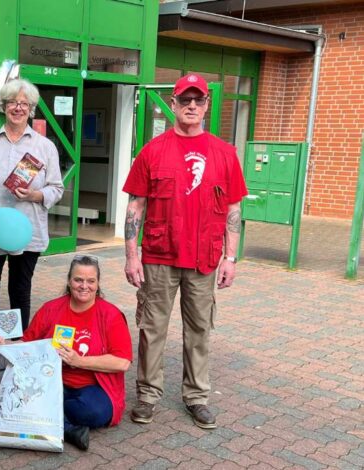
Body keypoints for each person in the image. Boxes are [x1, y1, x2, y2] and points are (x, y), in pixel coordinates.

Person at [123, 73, 247, 430]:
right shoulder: (153, 151)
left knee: (199, 331)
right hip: (159, 257)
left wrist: (231, 257)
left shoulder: (224, 154)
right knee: (152, 329)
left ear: (207, 106)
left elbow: (234, 211)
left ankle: (196, 397)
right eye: (185, 100)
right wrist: (132, 256)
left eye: (199, 100)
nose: (192, 106)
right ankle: (148, 396)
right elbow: (136, 208)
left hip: (205, 260)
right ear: (174, 105)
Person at [0, 255, 132, 451]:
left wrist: (79, 361)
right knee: (19, 394)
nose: (84, 286)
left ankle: (43, 413)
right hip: (51, 382)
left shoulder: (111, 315)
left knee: (95, 412)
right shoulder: (51, 309)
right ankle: (67, 429)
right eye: (78, 280)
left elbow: (122, 362)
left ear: (98, 283)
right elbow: (27, 343)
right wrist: (4, 343)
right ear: (69, 280)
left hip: (91, 387)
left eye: (90, 281)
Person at [0, 78, 63, 332]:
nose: (18, 108)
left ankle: (16, 345)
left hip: (28, 232)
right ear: (4, 106)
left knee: (20, 291)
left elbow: (56, 188)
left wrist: (34, 195)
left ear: (31, 109)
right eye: (12, 102)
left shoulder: (45, 147)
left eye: (24, 103)